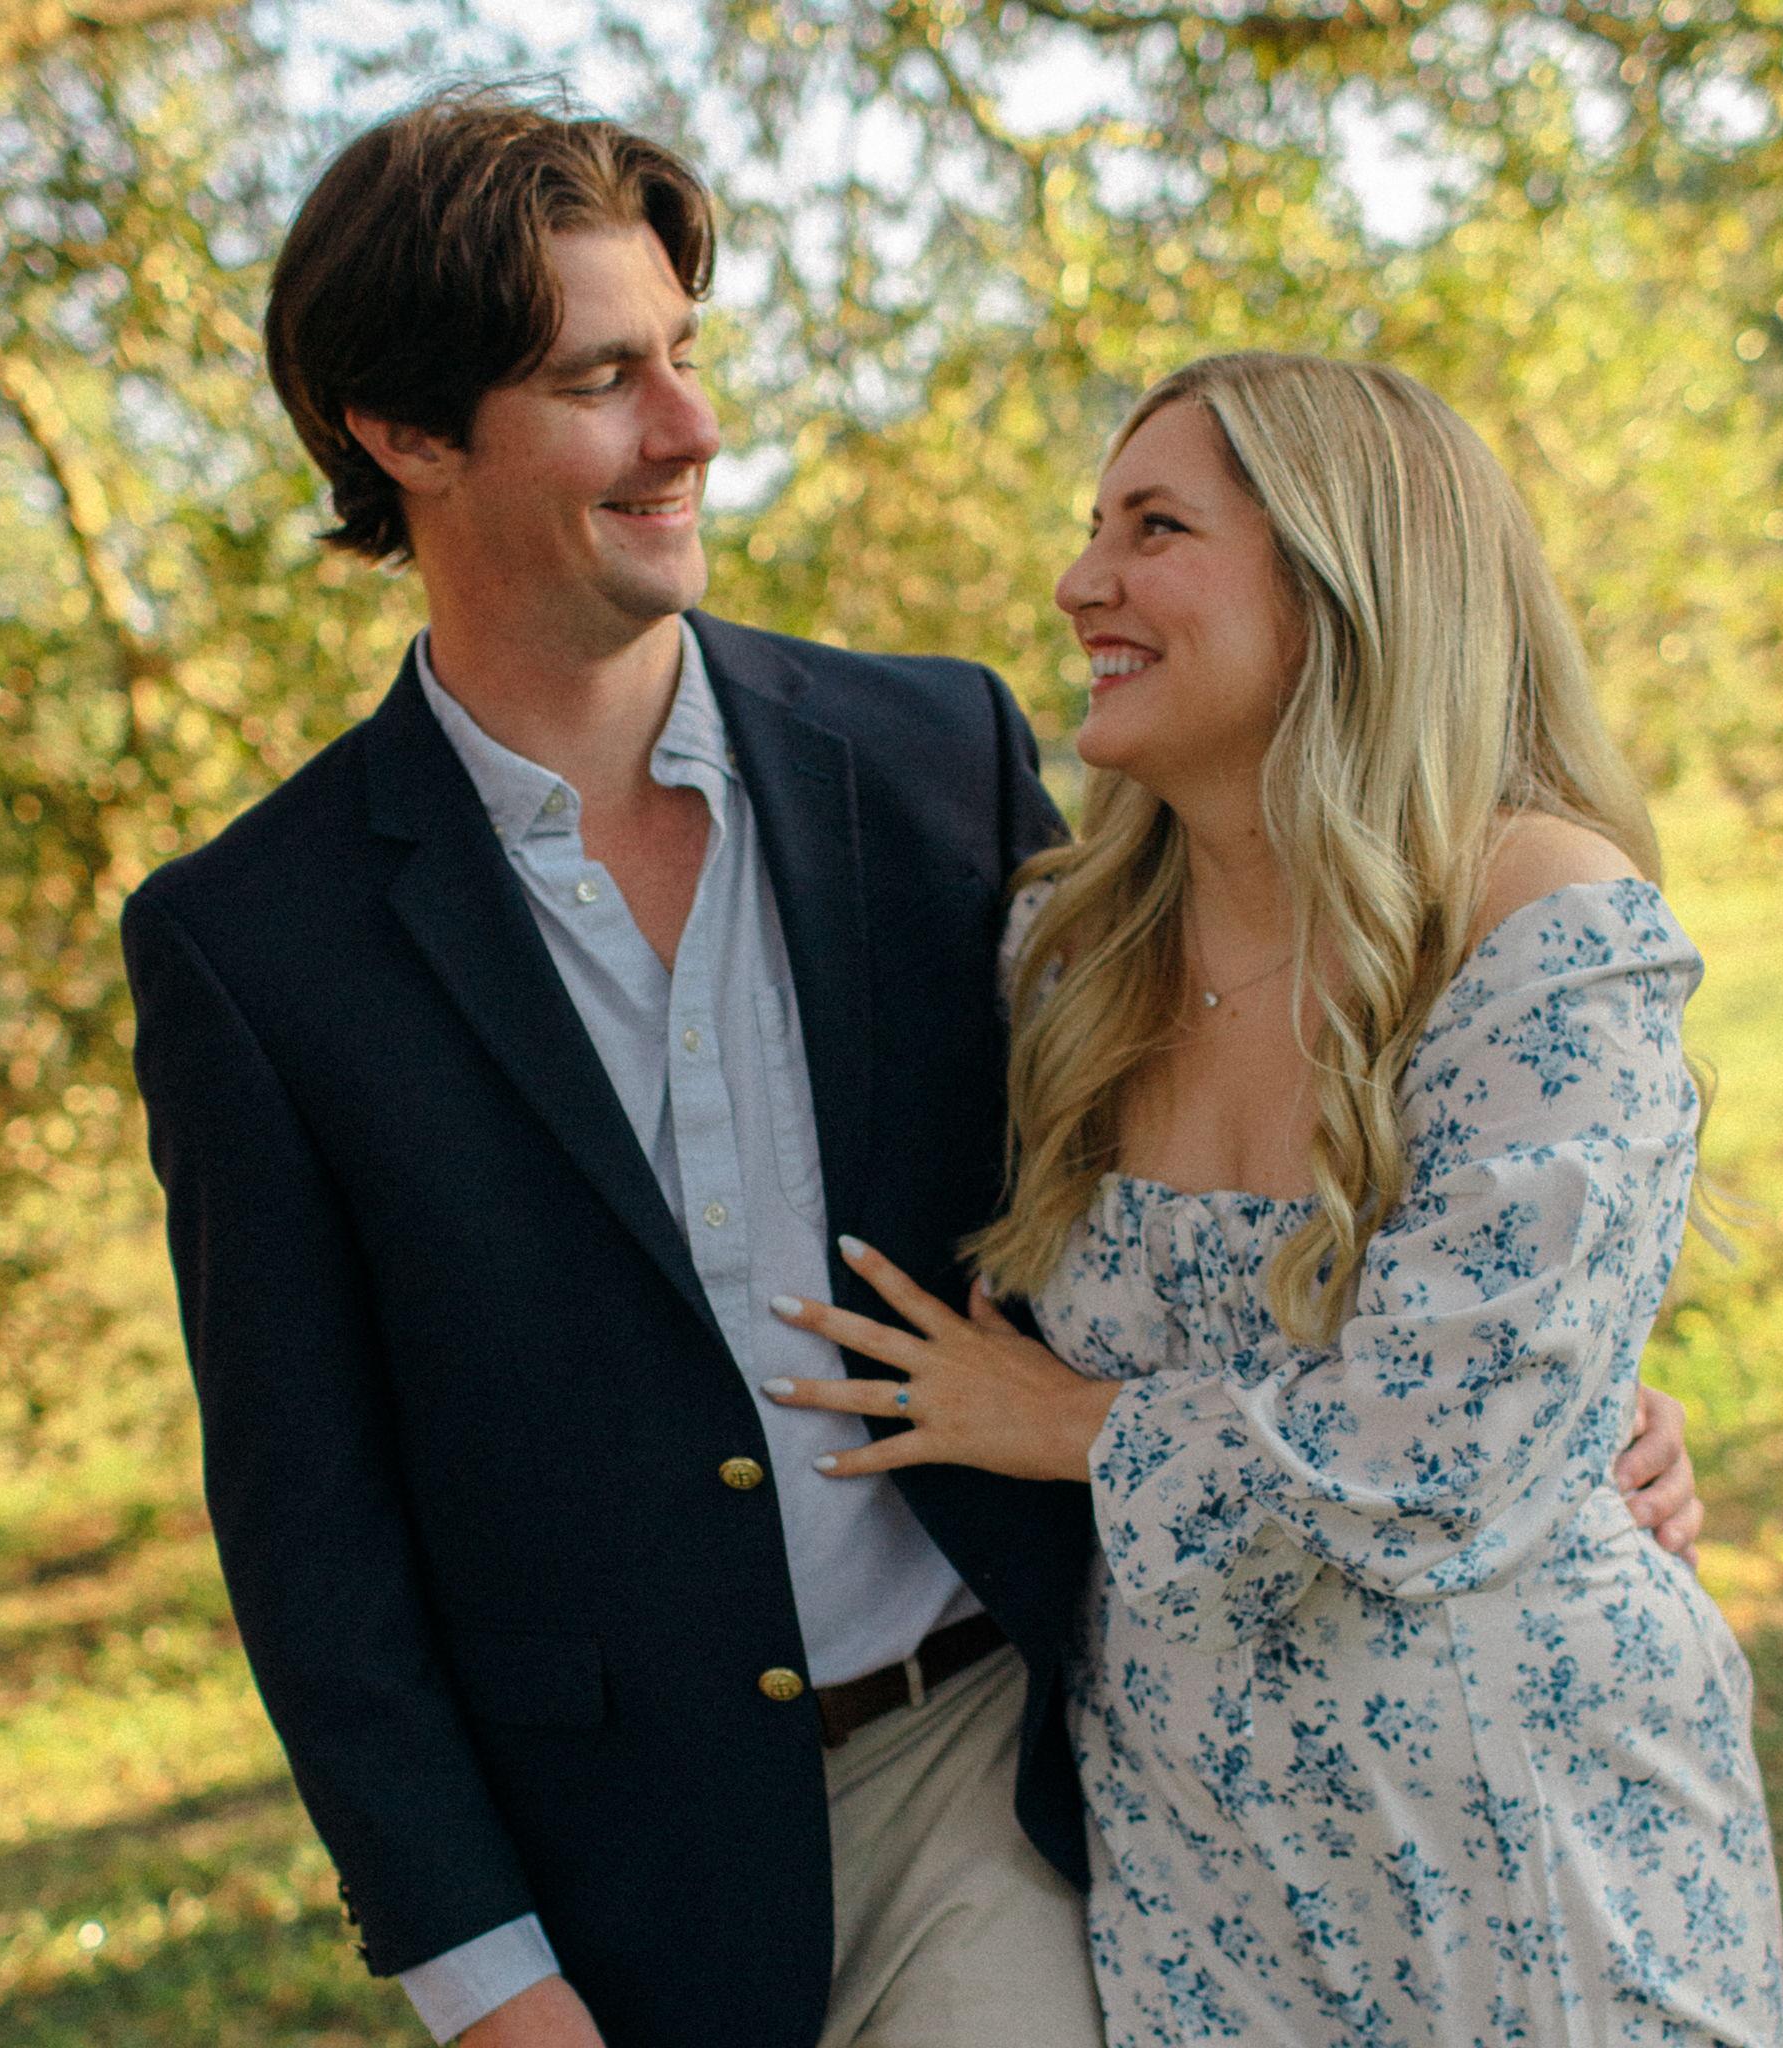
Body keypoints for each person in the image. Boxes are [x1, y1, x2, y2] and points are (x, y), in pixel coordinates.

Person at [121, 89, 1702, 2048]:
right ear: (405, 434)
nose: (692, 425)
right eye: (603, 379)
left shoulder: (930, 757)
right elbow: (311, 1533)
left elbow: (1203, 1153)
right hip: (616, 1864)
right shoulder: (254, 943)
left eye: (684, 353)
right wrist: (485, 1983)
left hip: (994, 1766)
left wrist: (1566, 1395)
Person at [764, 352, 1783, 2044]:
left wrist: (1070, 1425)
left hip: (1529, 1836)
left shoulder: (1538, 918)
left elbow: (1443, 1453)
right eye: (1093, 526)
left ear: (1341, 581)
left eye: (1154, 528)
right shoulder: (1064, 961)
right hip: (1196, 1860)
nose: (1079, 580)